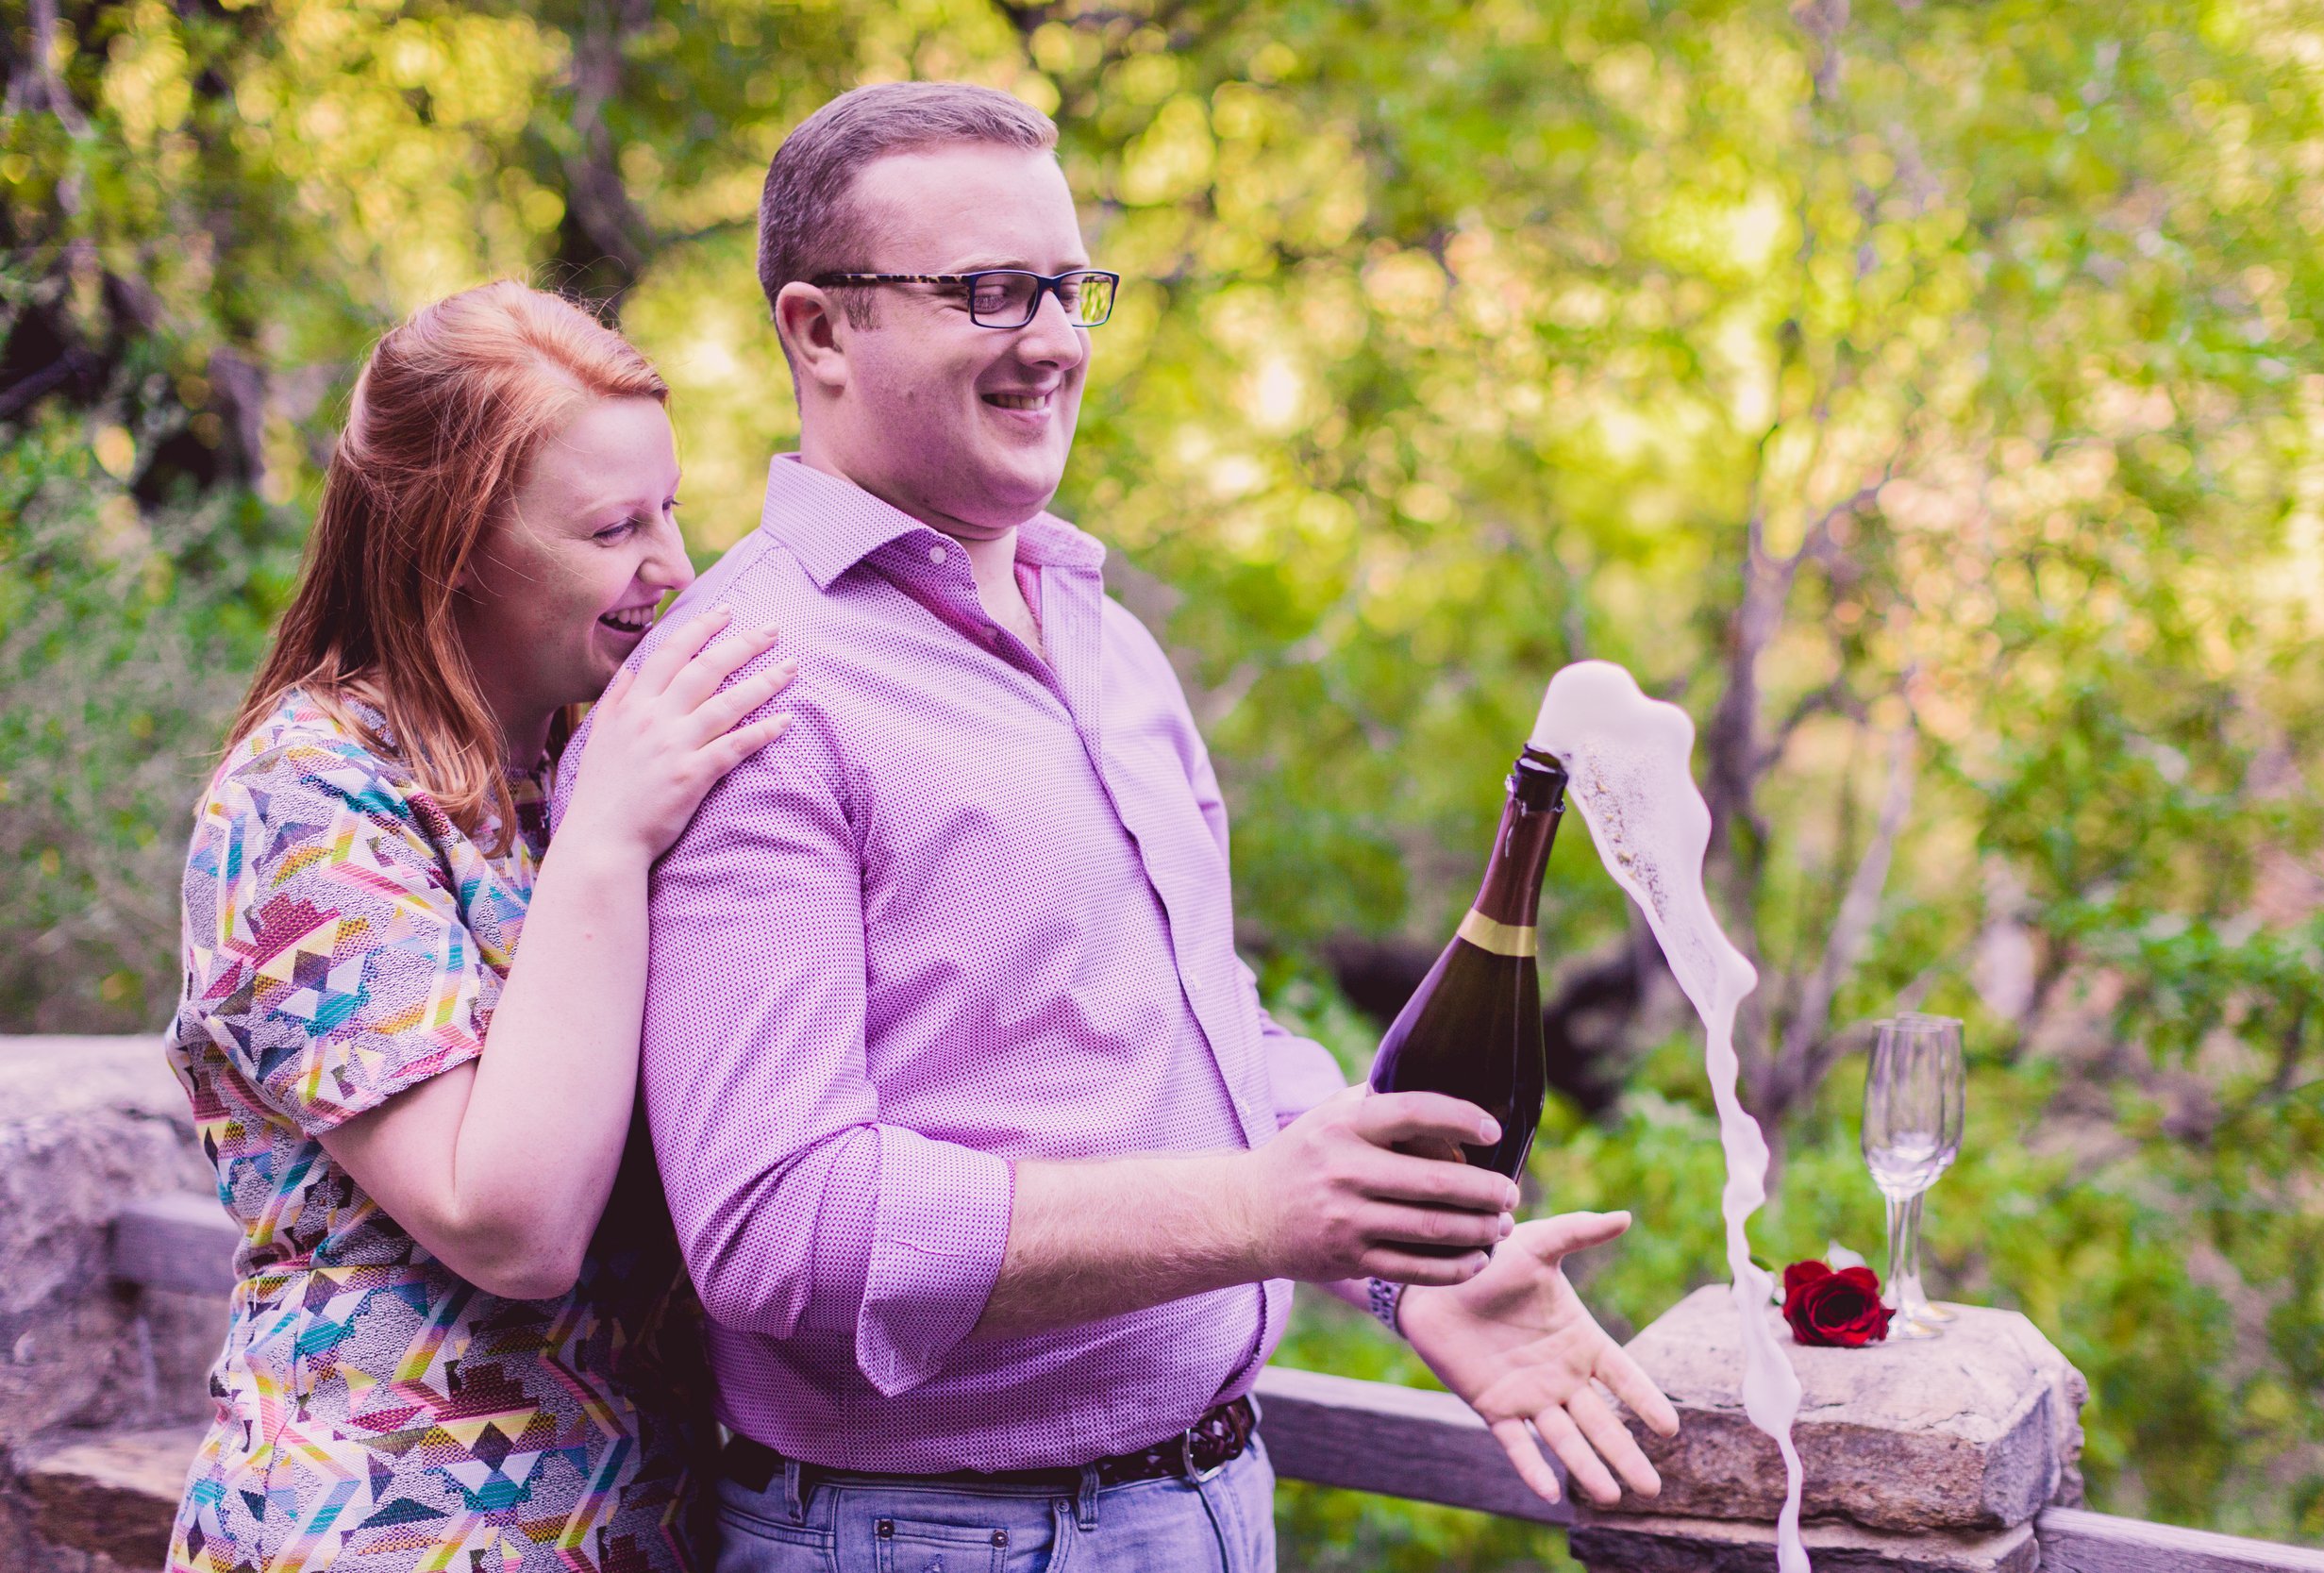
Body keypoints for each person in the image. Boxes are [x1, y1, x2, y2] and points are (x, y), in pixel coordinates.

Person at [556, 83, 1678, 1573]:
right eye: (988, 292)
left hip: (1210, 1503)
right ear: (818, 332)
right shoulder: (749, 686)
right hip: (934, 1540)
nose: (1056, 341)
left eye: (1072, 289)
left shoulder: (1102, 636)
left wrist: (1401, 1262)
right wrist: (1255, 1213)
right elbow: (777, 1226)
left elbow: (1188, 1035)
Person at [166, 282, 794, 1573]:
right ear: (451, 543)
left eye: (669, 508)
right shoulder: (308, 795)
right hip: (387, 1531)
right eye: (614, 527)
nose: (672, 568)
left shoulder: (592, 758)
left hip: (644, 1525)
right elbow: (508, 1223)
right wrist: (611, 840)